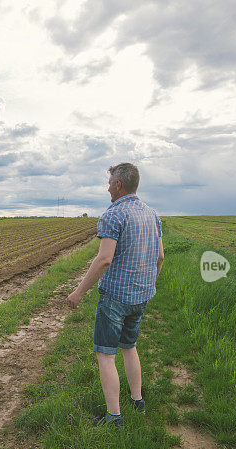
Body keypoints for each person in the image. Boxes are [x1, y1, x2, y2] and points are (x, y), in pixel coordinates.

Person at [66, 162, 164, 426]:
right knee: (129, 347)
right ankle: (137, 399)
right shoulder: (152, 214)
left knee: (105, 354)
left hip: (115, 298)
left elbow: (104, 260)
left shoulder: (113, 215)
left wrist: (77, 293)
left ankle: (114, 416)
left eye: (109, 182)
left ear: (118, 185)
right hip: (140, 297)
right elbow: (160, 257)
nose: (107, 187)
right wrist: (147, 285)